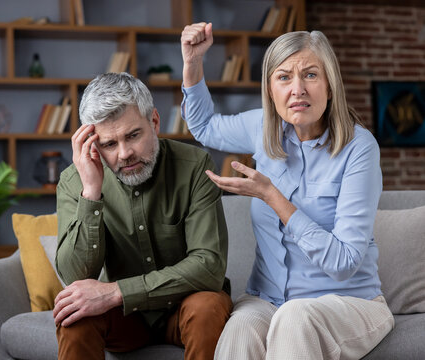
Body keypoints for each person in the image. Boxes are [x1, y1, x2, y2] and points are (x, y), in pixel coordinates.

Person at [180, 22, 394, 359]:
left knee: (295, 318)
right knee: (240, 329)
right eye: (284, 77)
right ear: (270, 90)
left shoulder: (359, 148)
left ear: (330, 85)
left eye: (310, 75)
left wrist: (272, 196)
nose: (297, 89)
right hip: (268, 299)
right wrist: (192, 63)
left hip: (348, 302)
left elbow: (344, 262)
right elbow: (204, 126)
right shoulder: (262, 127)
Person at [52, 72, 233, 360]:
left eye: (133, 135)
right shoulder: (75, 181)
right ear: (93, 144)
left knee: (207, 308)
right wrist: (91, 192)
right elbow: (75, 277)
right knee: (75, 316)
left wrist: (116, 293)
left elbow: (209, 266)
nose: (124, 154)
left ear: (155, 122)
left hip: (187, 305)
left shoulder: (195, 165)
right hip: (125, 321)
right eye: (109, 144)